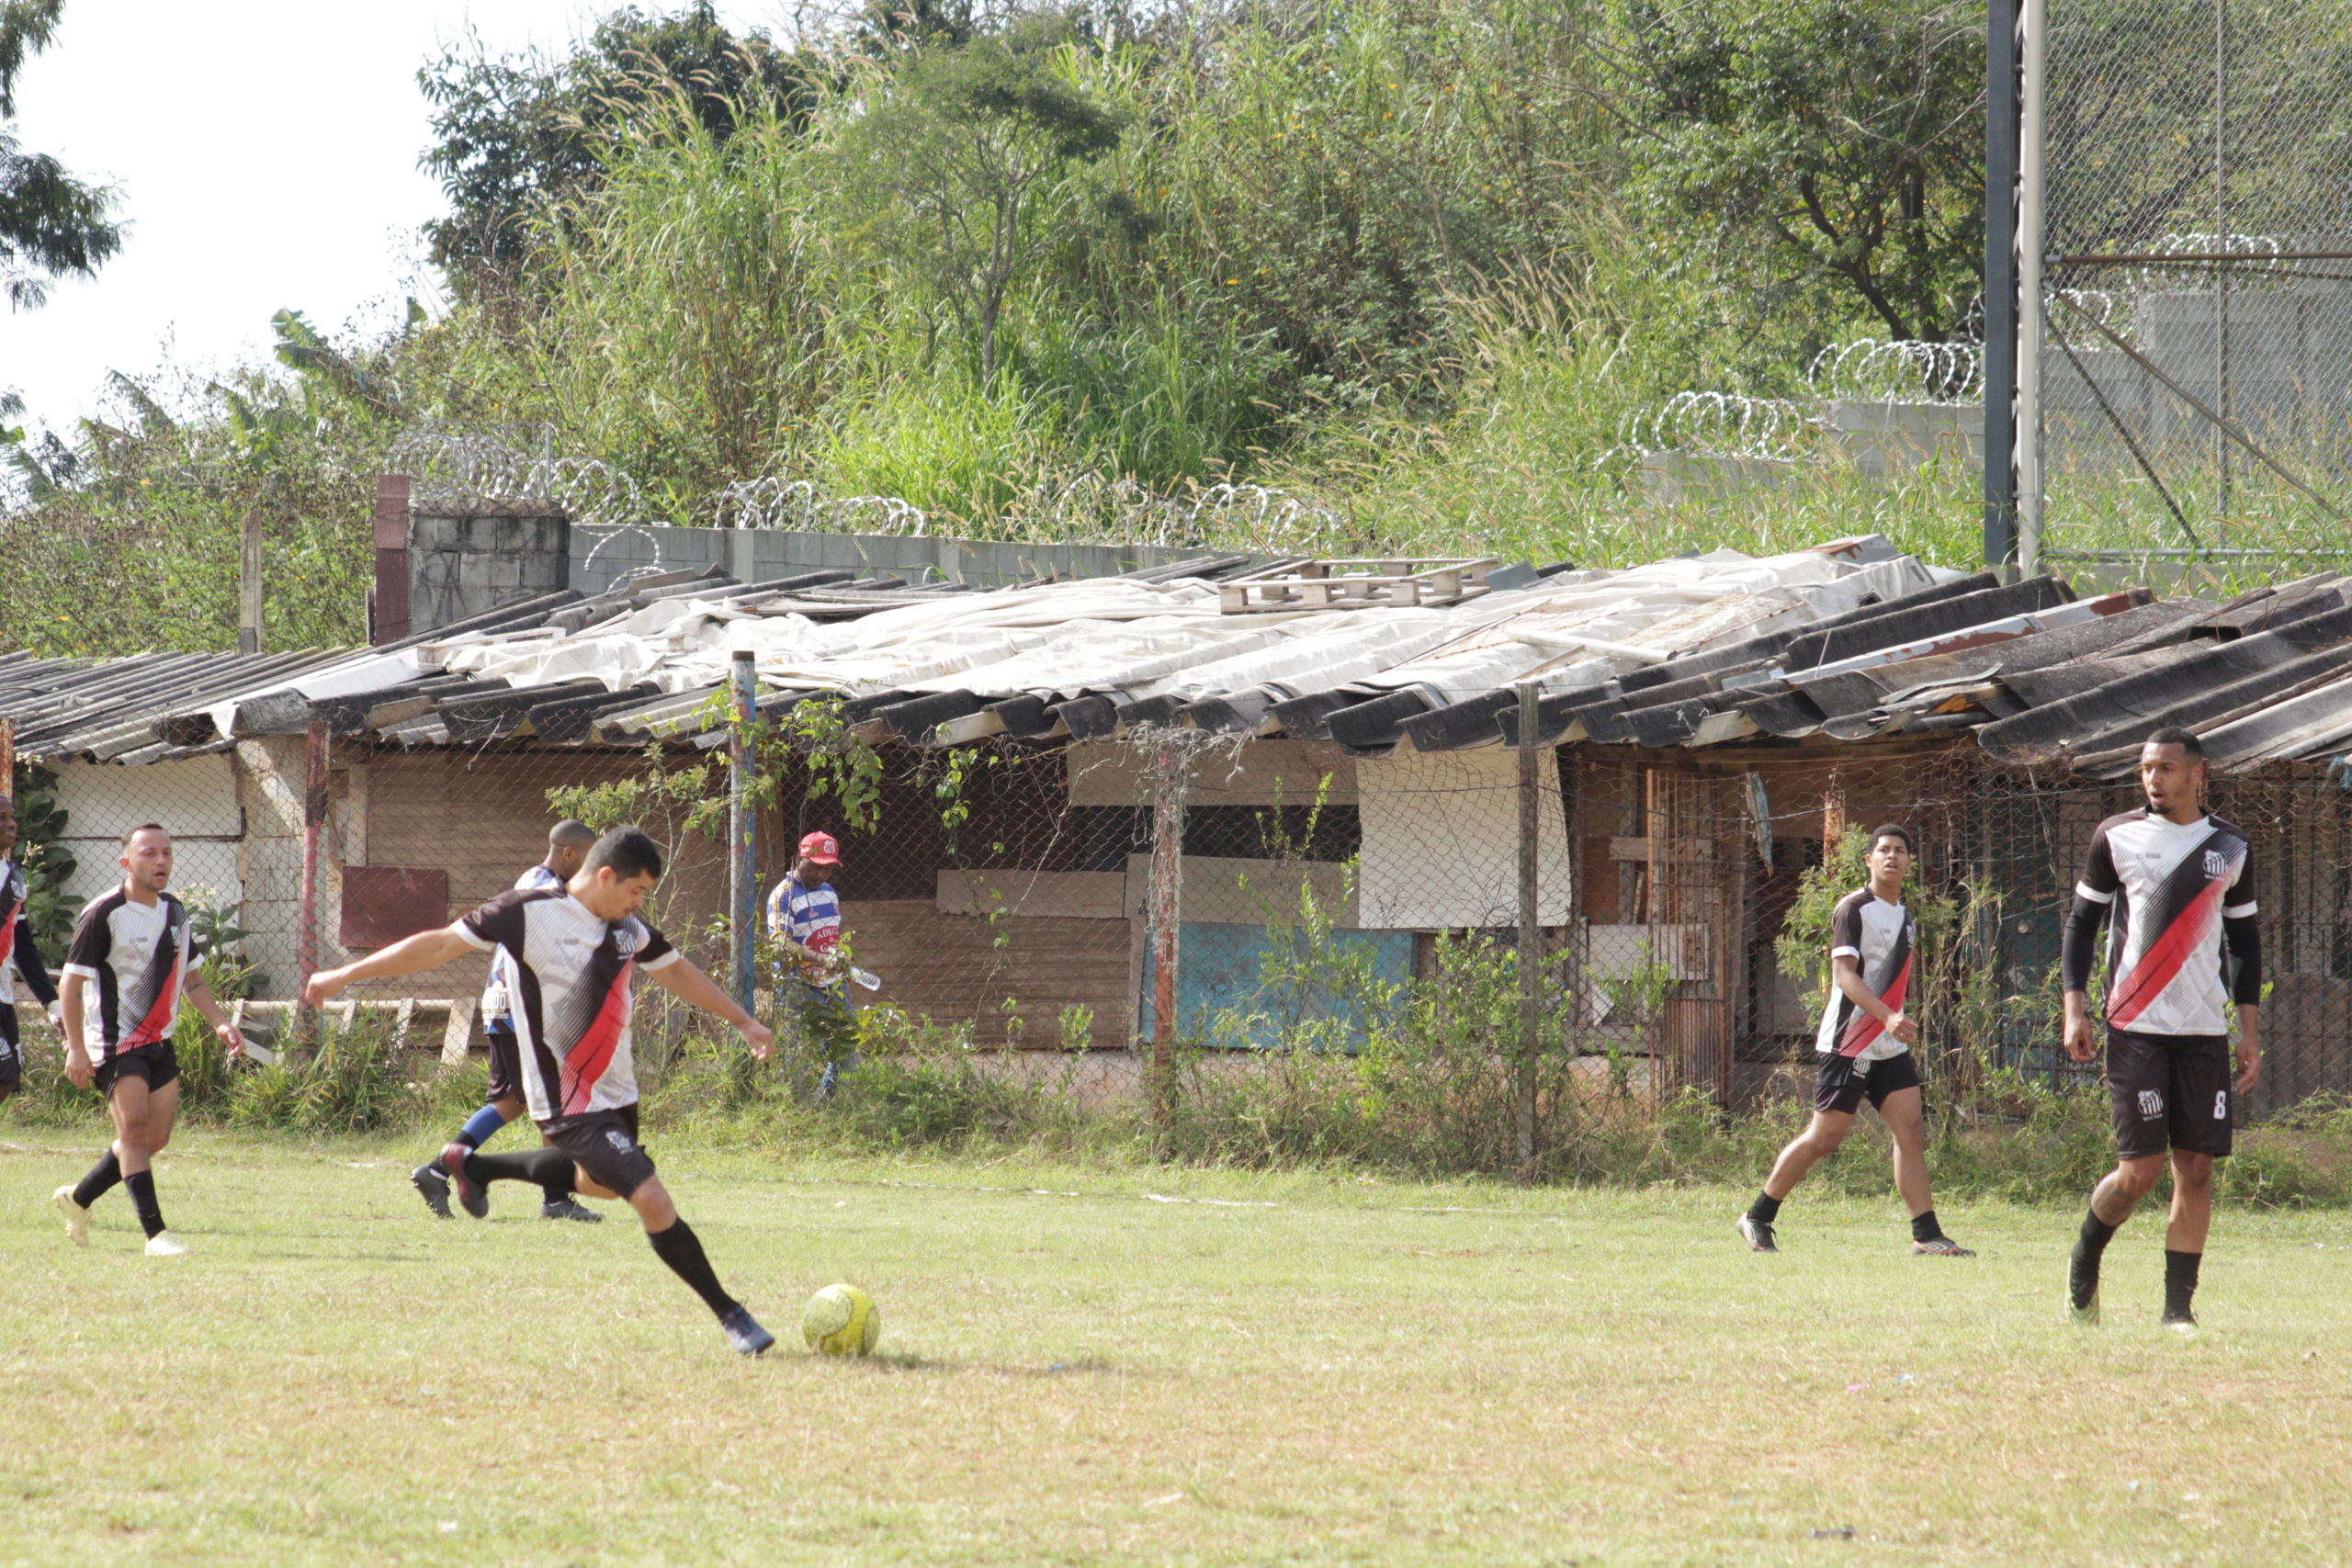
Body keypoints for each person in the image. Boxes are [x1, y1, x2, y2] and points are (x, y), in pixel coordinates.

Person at [305, 826, 782, 1355]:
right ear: (605, 875)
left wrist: (742, 1020)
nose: (639, 902)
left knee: (597, 1184)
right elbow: (439, 945)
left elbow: (676, 972)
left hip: (618, 1093)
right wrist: (345, 973)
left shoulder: (627, 927)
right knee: (650, 1196)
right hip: (567, 1099)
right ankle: (733, 1316)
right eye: (637, 890)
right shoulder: (527, 910)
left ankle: (475, 1165)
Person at [2061, 727, 2260, 1328]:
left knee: (2196, 1168)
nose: (2154, 778)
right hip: (2135, 1026)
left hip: (2203, 1032)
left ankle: (2178, 1311)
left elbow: (2245, 943)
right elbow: (2080, 926)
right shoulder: (2115, 837)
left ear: (2198, 773)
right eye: (2147, 768)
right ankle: (2087, 1250)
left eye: (2167, 768)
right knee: (2138, 1172)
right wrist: (2075, 1006)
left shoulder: (2230, 846)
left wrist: (2248, 1031)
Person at [1739, 823, 1973, 1258]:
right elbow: (1845, 977)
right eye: (1883, 850)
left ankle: (1926, 1234)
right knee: (1824, 1138)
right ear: (1869, 860)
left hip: (1888, 1047)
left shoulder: (1906, 917)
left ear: (1909, 862)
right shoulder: (1853, 909)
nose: (1891, 856)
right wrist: (1886, 1016)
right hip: (1850, 1043)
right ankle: (1757, 1217)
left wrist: (1893, 1023)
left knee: (1912, 1133)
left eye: (1900, 850)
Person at [51, 825, 244, 1255]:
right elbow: (70, 984)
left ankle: (78, 1199)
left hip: (159, 1041)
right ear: (126, 862)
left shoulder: (176, 913)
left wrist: (220, 1022)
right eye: (148, 854)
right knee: (135, 1134)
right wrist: (77, 1048)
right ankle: (156, 1235)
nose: (160, 862)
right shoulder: (103, 912)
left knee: (154, 1138)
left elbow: (192, 978)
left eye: (167, 854)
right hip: (116, 1044)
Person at [410, 818, 603, 1223]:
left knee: (511, 1102)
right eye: (585, 861)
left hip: (502, 1002)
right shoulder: (548, 890)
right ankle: (556, 1198)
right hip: (521, 1006)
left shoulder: (533, 879)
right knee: (557, 1103)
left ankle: (437, 1170)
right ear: (567, 854)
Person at [766, 831, 857, 1098]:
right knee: (795, 1056)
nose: (822, 875)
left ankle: (827, 1108)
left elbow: (831, 934)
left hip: (833, 983)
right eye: (816, 867)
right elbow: (781, 942)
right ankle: (795, 1112)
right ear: (799, 858)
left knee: (846, 1053)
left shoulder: (829, 893)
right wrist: (819, 959)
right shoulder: (783, 895)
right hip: (797, 984)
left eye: (828, 869)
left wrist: (839, 959)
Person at [0, 791, 62, 1103]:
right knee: (4, 1074)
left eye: (13, 817)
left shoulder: (14, 880)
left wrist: (52, 1004)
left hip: (3, 998)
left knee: (9, 1078)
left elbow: (24, 948)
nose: (12, 824)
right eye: (2, 819)